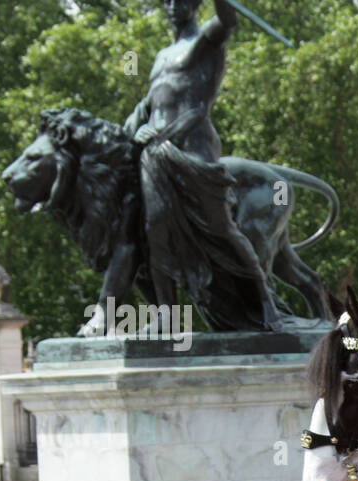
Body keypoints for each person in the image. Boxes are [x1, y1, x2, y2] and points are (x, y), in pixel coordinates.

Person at [124, 0, 283, 332]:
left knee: (221, 228)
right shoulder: (160, 57)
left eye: (179, 1)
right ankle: (167, 317)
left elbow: (227, 19)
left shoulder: (206, 39)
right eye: (166, 1)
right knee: (156, 232)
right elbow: (152, 103)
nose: (171, 6)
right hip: (155, 152)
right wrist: (138, 127)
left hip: (194, 148)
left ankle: (265, 299)